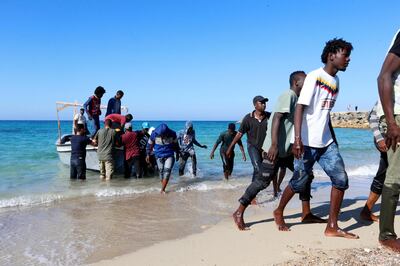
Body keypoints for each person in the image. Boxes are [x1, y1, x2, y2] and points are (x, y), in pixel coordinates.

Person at [273, 38, 358, 239]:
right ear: (331, 56)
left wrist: (333, 138)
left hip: (326, 141)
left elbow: (324, 113)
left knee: (341, 179)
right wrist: (297, 140)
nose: (348, 59)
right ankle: (279, 211)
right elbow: (300, 108)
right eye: (345, 55)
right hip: (306, 142)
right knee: (299, 182)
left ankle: (332, 226)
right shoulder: (314, 76)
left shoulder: (336, 81)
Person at [232, 71, 325, 230]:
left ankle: (306, 213)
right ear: (296, 82)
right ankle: (239, 212)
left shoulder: (299, 99)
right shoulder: (288, 95)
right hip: (274, 149)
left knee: (306, 175)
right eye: (305, 80)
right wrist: (274, 145)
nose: (308, 82)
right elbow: (276, 118)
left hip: (287, 151)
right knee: (262, 181)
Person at [377, 29, 400, 252]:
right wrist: (392, 122)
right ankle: (386, 234)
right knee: (395, 175)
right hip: (398, 116)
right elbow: (384, 76)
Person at [226, 96, 270, 185]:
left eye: (265, 103)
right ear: (255, 105)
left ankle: (254, 190)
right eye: (261, 103)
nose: (264, 104)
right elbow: (239, 134)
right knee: (258, 167)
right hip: (252, 146)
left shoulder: (269, 116)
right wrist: (230, 148)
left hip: (265, 147)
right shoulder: (248, 118)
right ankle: (253, 195)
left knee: (263, 169)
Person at [360, 101, 388, 222]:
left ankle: (366, 211)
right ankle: (366, 211)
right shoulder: (392, 89)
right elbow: (372, 116)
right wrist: (380, 138)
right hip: (386, 138)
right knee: (384, 173)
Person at [146, 123, 179, 193]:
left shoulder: (173, 134)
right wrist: (148, 154)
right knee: (161, 172)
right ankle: (163, 186)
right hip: (158, 155)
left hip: (169, 155)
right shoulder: (154, 134)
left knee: (167, 172)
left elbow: (176, 144)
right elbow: (149, 144)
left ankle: (162, 190)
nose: (161, 136)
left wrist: (178, 153)